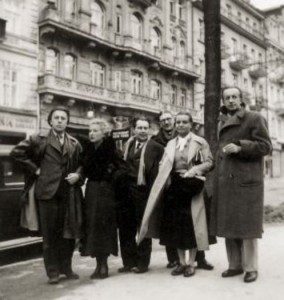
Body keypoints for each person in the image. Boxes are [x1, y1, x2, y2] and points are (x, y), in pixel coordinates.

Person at [11, 106, 83, 284]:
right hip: (46, 194)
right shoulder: (38, 139)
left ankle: (66, 269)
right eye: (56, 118)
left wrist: (79, 174)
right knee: (50, 235)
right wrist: (35, 170)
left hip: (68, 193)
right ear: (50, 121)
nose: (60, 121)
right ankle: (53, 272)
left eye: (63, 118)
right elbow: (16, 153)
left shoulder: (74, 143)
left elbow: (82, 162)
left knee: (68, 234)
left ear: (67, 122)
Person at [139, 111, 213, 277]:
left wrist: (194, 170)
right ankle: (181, 263)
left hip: (193, 186)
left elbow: (209, 162)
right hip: (175, 187)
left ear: (191, 124)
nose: (180, 125)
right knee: (176, 226)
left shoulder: (200, 142)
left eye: (184, 122)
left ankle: (192, 263)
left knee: (193, 224)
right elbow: (165, 163)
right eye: (178, 122)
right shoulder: (171, 144)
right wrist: (163, 168)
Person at [210, 86, 272, 283]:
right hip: (226, 181)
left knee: (247, 227)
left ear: (241, 99)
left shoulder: (254, 117)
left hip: (246, 181)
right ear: (223, 100)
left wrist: (240, 147)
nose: (230, 101)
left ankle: (251, 267)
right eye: (227, 97)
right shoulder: (221, 120)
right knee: (230, 225)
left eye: (234, 97)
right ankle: (235, 265)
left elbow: (266, 146)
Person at [117, 116, 164, 274]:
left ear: (149, 130)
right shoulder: (128, 144)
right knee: (126, 228)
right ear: (134, 129)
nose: (143, 131)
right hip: (125, 193)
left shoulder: (156, 147)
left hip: (144, 193)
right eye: (139, 128)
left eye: (145, 128)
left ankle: (143, 263)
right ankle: (128, 262)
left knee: (142, 228)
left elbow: (158, 174)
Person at [80, 118, 124, 279]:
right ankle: (97, 265)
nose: (91, 134)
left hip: (106, 191)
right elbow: (83, 168)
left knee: (104, 226)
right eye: (90, 131)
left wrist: (109, 176)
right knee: (92, 226)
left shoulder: (111, 149)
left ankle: (104, 264)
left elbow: (122, 169)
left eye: (95, 131)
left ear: (104, 133)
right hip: (92, 190)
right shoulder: (88, 149)